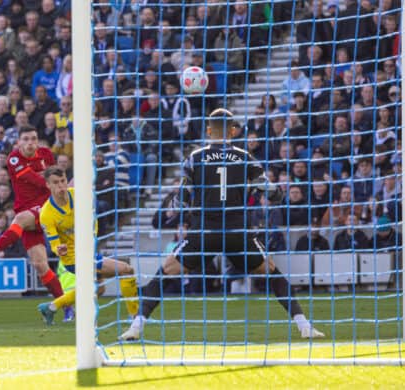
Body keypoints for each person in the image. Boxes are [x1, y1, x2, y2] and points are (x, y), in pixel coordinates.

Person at [119, 109, 324, 341]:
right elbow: (271, 191)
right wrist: (275, 195)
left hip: (204, 231)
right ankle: (304, 326)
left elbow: (182, 198)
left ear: (208, 131)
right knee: (272, 272)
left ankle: (136, 326)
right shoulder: (245, 156)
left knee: (165, 271)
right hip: (237, 231)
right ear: (233, 131)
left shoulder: (195, 157)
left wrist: (179, 204)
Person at [0, 126, 66, 311]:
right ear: (19, 142)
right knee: (40, 265)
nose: (31, 143)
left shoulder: (46, 154)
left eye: (34, 138)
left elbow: (51, 182)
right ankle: (66, 305)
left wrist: (48, 181)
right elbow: (37, 180)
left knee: (20, 219)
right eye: (26, 139)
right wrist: (46, 179)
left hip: (45, 207)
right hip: (27, 209)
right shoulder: (13, 158)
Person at [37, 166, 139, 324]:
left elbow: (93, 218)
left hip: (87, 252)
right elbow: (54, 244)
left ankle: (51, 307)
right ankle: (136, 317)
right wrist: (59, 249)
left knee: (98, 289)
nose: (61, 186)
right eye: (55, 183)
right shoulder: (46, 214)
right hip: (72, 259)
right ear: (48, 185)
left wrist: (91, 238)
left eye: (63, 181)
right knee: (126, 269)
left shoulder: (78, 196)